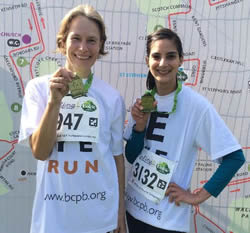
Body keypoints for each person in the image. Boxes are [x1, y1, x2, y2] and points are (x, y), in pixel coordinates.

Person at [123, 28, 245, 233]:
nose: (163, 63)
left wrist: (196, 197)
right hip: (133, 211)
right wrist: (139, 128)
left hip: (166, 222)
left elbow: (235, 158)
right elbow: (131, 156)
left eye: (170, 56)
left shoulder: (197, 106)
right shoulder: (145, 100)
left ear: (180, 60)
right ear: (147, 61)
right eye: (156, 56)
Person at [19, 4, 126, 233]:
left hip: (100, 219)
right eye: (75, 38)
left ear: (101, 46)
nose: (83, 48)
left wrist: (119, 214)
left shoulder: (112, 98)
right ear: (62, 42)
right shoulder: (38, 89)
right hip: (55, 220)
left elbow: (117, 158)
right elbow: (40, 151)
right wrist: (54, 101)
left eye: (91, 40)